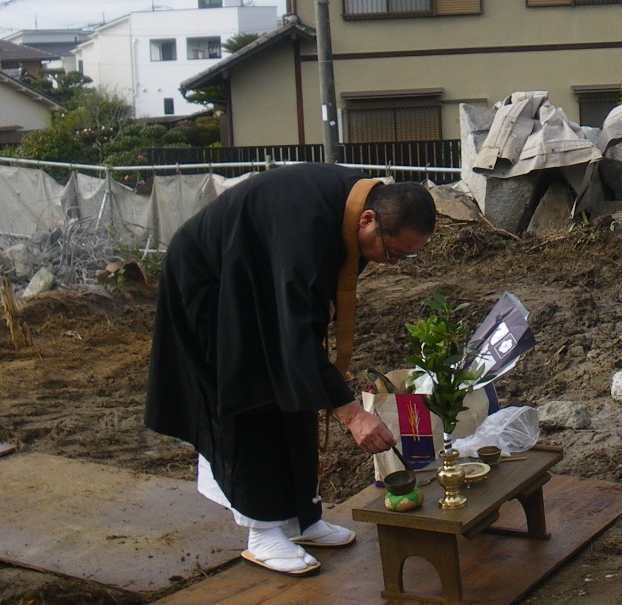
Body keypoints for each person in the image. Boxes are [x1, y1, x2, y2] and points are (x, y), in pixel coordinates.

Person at [145, 165, 436, 576]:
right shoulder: (309, 223)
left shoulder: (353, 201)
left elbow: (304, 298)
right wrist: (353, 414)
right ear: (368, 220)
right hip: (212, 284)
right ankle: (262, 532)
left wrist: (324, 298)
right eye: (390, 252)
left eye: (405, 257)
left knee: (297, 388)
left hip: (259, 276)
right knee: (252, 392)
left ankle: (302, 517)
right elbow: (293, 330)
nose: (390, 263)